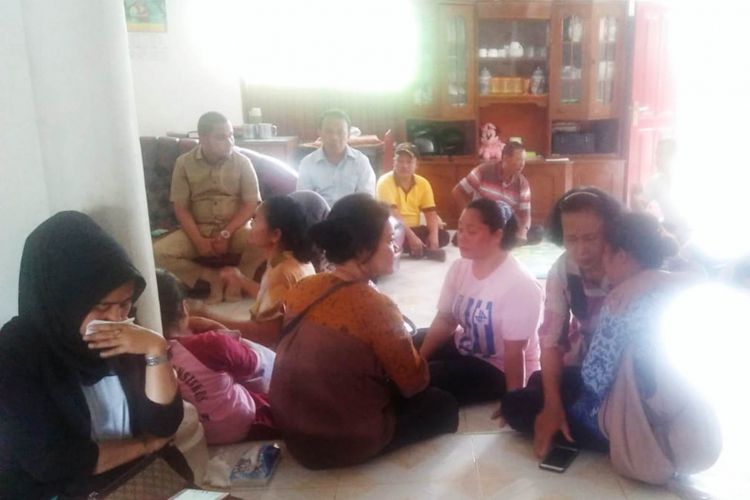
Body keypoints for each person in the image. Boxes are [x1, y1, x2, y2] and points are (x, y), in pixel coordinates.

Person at [0, 212, 183, 499]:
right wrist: (144, 446)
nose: (116, 317)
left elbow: (164, 425)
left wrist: (155, 350)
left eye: (125, 304)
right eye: (101, 306)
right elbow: (52, 462)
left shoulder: (124, 336)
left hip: (136, 483)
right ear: (63, 301)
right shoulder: (14, 355)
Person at [270, 193, 459, 469]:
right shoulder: (377, 307)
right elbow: (413, 384)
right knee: (443, 404)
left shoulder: (304, 286)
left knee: (419, 339)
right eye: (388, 240)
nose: (396, 247)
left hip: (293, 432)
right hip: (339, 443)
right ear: (360, 250)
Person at [501, 187, 623, 458]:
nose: (582, 250)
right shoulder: (562, 270)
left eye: (591, 238)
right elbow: (551, 342)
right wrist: (552, 406)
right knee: (524, 395)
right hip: (587, 369)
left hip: (630, 380)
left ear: (611, 232)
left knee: (529, 399)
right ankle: (604, 430)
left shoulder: (629, 264)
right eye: (572, 239)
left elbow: (689, 275)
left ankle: (619, 433)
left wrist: (651, 280)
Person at [418, 199, 543, 406]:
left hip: (499, 366)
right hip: (468, 345)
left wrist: (514, 401)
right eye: (459, 229)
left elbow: (514, 352)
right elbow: (446, 319)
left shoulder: (521, 285)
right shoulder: (460, 268)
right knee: (405, 348)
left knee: (427, 377)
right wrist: (418, 359)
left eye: (471, 231)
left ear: (498, 234)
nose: (461, 237)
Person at [156, 269, 277, 445]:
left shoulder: (139, 354)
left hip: (193, 435)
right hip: (241, 424)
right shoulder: (210, 344)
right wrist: (222, 333)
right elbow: (258, 365)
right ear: (184, 307)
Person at [153, 111, 263, 304]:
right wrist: (198, 241)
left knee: (263, 240)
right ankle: (213, 278)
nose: (229, 141)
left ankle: (237, 280)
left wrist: (226, 233)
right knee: (156, 253)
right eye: (221, 137)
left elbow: (250, 204)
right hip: (197, 229)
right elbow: (181, 208)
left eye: (231, 135)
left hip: (235, 229)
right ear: (203, 138)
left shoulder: (242, 162)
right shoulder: (184, 163)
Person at [190, 195, 316, 348]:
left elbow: (265, 336)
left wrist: (208, 318)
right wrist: (241, 280)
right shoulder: (297, 262)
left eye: (256, 220)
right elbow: (276, 300)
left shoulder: (280, 272)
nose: (250, 224)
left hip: (281, 355)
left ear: (275, 235)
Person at [376, 142, 449, 261]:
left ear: (416, 165)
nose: (404, 165)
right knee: (383, 240)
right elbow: (394, 216)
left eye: (409, 162)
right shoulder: (384, 182)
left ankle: (418, 248)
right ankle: (419, 248)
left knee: (443, 236)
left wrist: (434, 236)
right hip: (392, 230)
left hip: (415, 228)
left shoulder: (423, 183)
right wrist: (412, 238)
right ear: (394, 162)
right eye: (400, 161)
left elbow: (430, 213)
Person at [452, 141, 532, 241]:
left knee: (537, 232)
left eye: (524, 160)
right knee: (464, 237)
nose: (522, 164)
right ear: (505, 158)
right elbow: (457, 191)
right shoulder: (483, 171)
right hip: (482, 224)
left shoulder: (523, 183)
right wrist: (468, 218)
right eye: (519, 160)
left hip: (505, 226)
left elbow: (525, 215)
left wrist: (522, 232)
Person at [296, 109, 376, 207]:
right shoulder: (307, 163)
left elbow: (366, 200)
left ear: (349, 135)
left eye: (340, 132)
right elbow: (305, 201)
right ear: (319, 133)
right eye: (329, 131)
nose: (334, 137)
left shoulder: (361, 162)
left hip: (352, 218)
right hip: (320, 219)